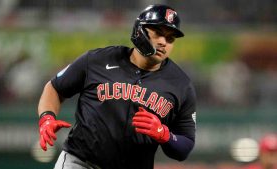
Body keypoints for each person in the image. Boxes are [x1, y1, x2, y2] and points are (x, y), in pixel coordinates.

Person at [37, 4, 197, 169]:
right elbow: (55, 88)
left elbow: (185, 146)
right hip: (82, 162)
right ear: (139, 31)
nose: (163, 42)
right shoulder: (97, 60)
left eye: (170, 38)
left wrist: (165, 135)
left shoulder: (181, 85)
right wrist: (46, 118)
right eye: (158, 33)